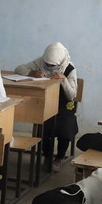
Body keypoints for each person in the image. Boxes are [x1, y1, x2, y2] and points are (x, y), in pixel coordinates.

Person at [15, 42, 79, 171]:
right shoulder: (40, 62)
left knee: (65, 128)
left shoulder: (70, 69)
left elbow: (72, 95)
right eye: (47, 65)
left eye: (52, 65)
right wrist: (31, 72)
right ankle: (47, 155)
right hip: (46, 103)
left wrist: (63, 80)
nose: (49, 67)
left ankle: (59, 157)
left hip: (64, 106)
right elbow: (18, 69)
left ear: (60, 62)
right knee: (44, 125)